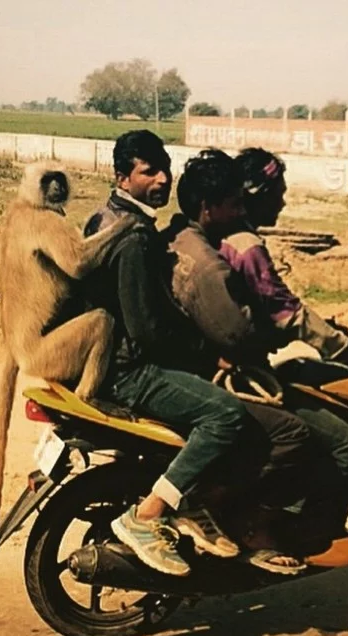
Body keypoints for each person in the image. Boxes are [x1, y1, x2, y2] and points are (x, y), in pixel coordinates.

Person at [82, 131, 255, 577]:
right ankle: (149, 515)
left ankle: (187, 498)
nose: (162, 179)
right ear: (122, 176)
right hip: (130, 369)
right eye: (148, 171)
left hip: (102, 360)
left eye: (165, 168)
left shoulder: (101, 217)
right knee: (226, 416)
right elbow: (148, 330)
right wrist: (206, 355)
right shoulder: (135, 237)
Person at [164, 148, 345, 569]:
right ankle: (251, 525)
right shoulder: (241, 249)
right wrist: (346, 346)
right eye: (238, 201)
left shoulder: (185, 236)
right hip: (220, 371)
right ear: (214, 206)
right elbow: (273, 320)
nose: (281, 201)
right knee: (300, 436)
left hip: (204, 363)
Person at [217, 147, 348, 491]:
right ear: (257, 194)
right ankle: (301, 530)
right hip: (242, 373)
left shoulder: (224, 236)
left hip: (229, 363)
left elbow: (271, 309)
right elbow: (289, 315)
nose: (282, 203)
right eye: (278, 193)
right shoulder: (247, 246)